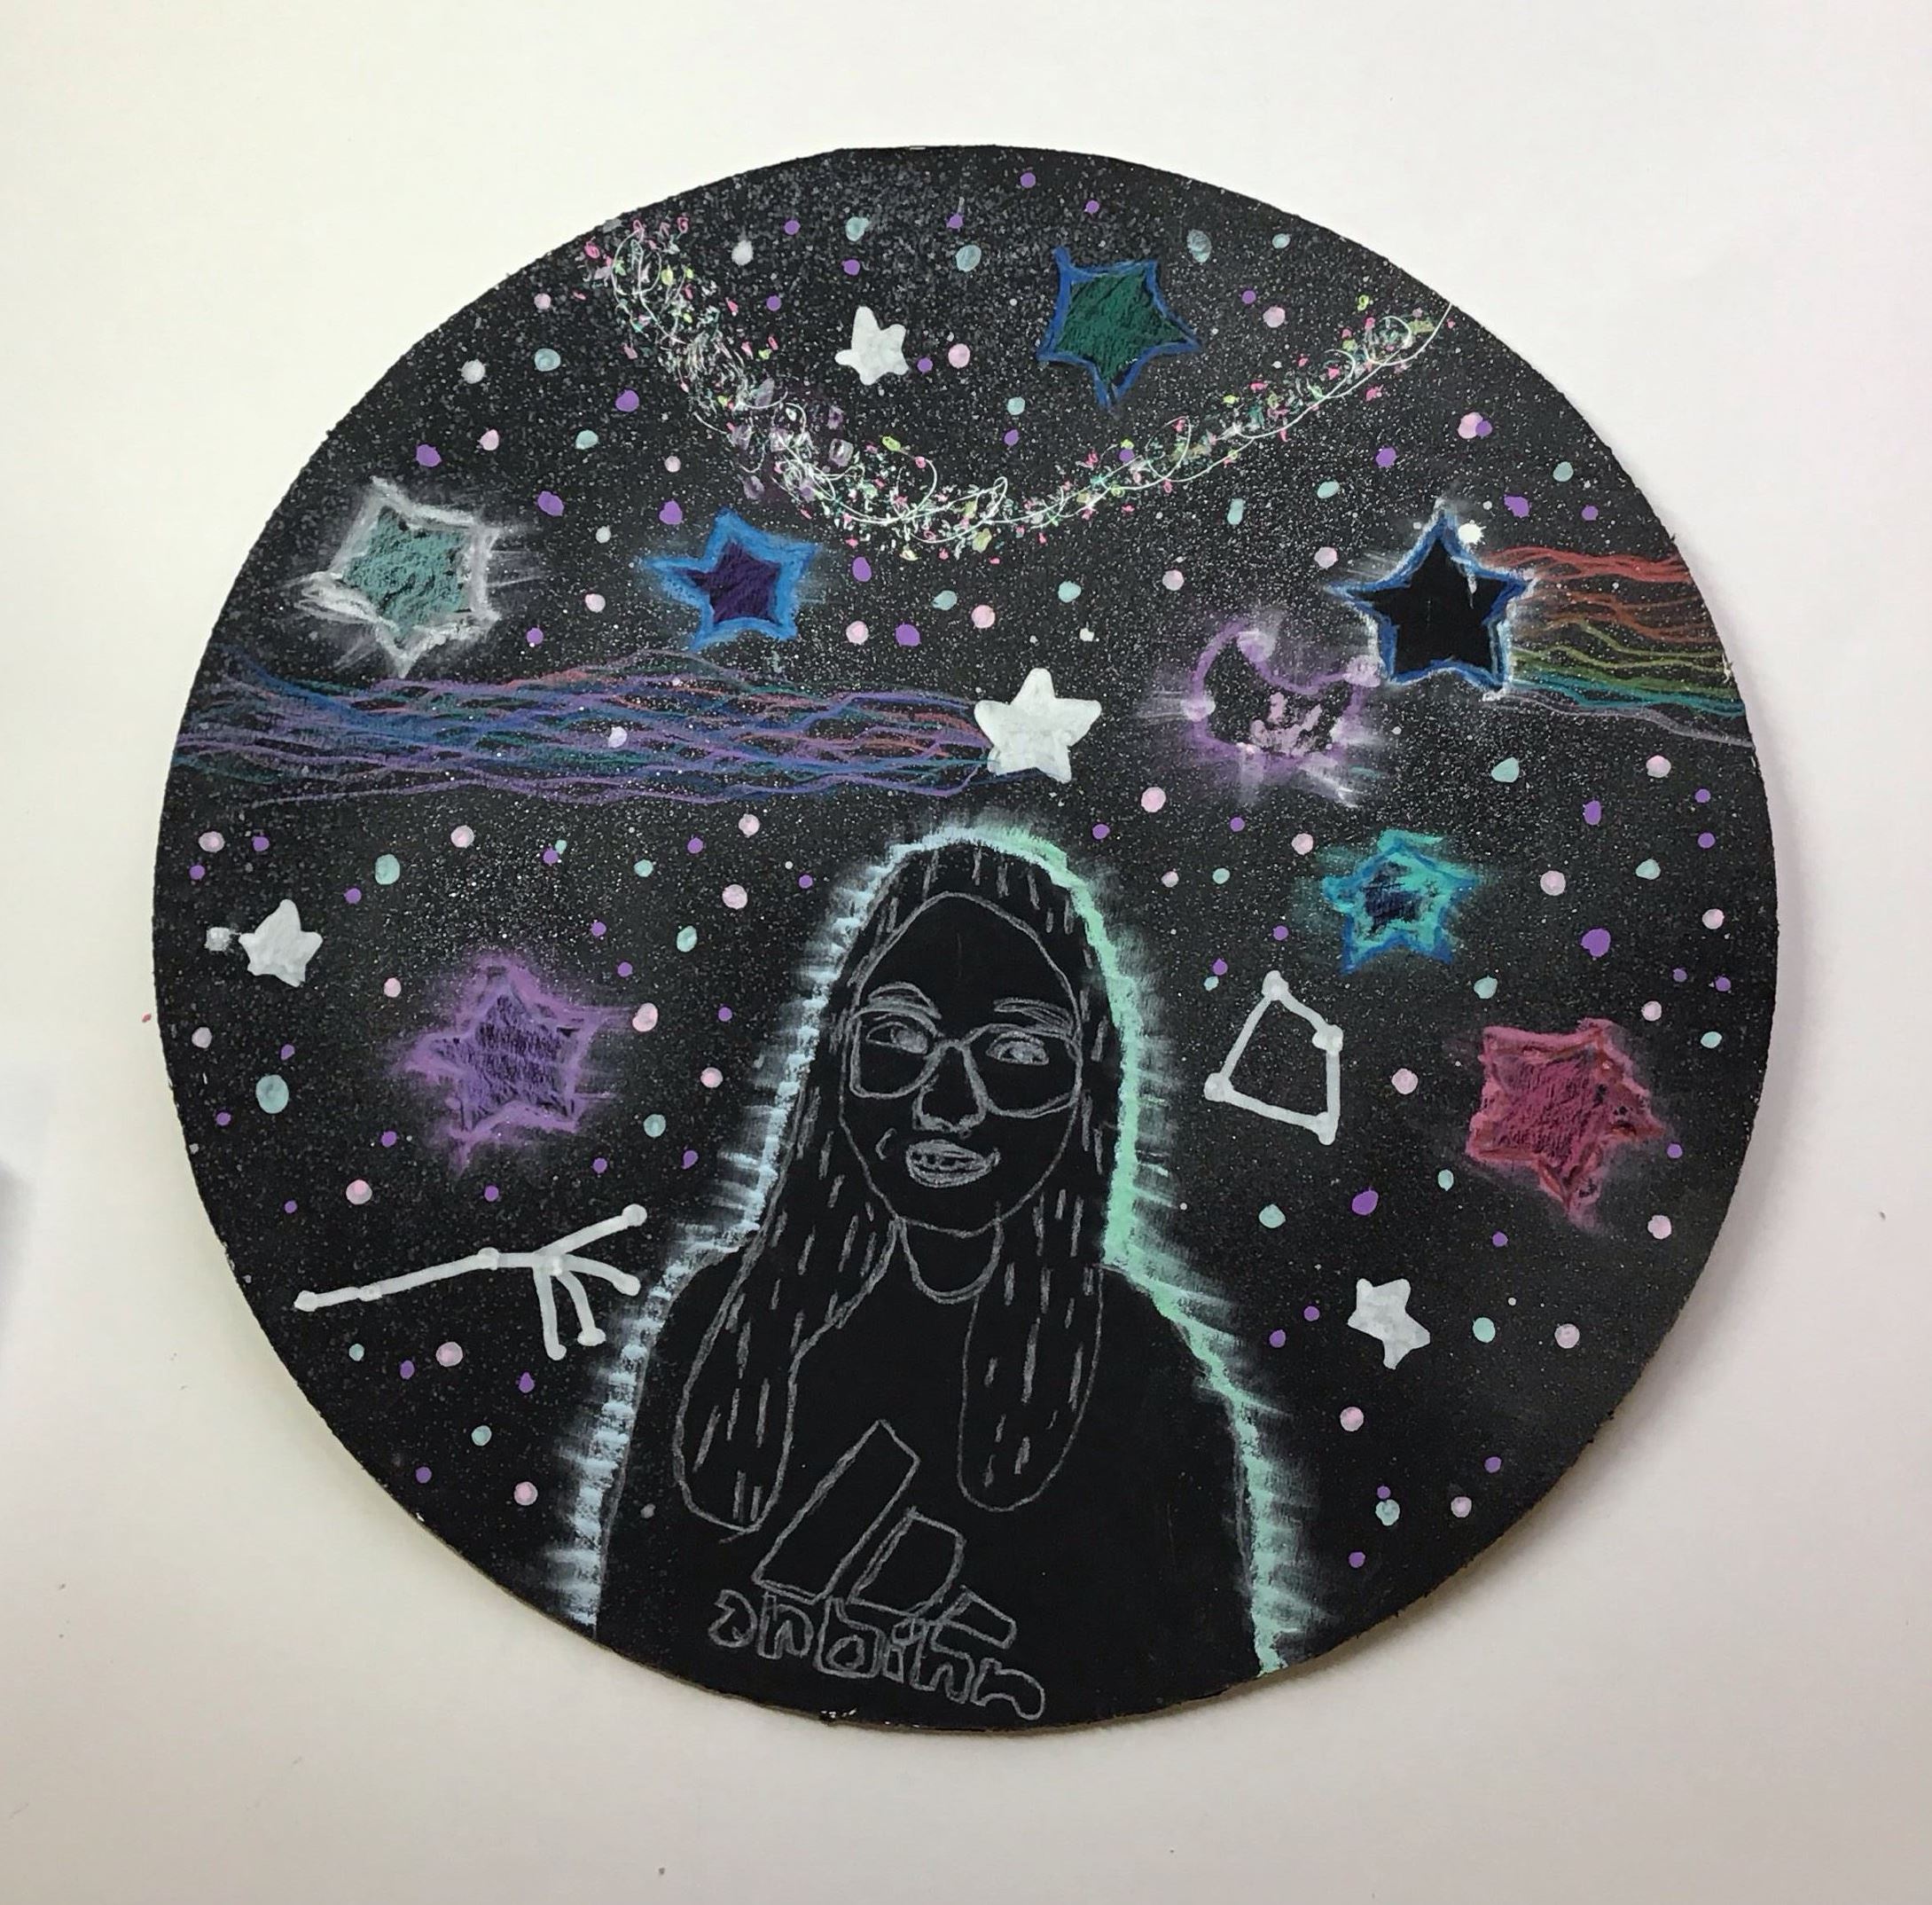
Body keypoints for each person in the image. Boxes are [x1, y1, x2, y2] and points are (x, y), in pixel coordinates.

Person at [596, 838, 1256, 1727]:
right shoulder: (724, 1318)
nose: (947, 1102)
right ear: (839, 1057)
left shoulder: (1142, 1370)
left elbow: (1201, 1695)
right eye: (899, 1038)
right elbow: (629, 1640)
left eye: (1015, 1051)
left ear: (1083, 1090)